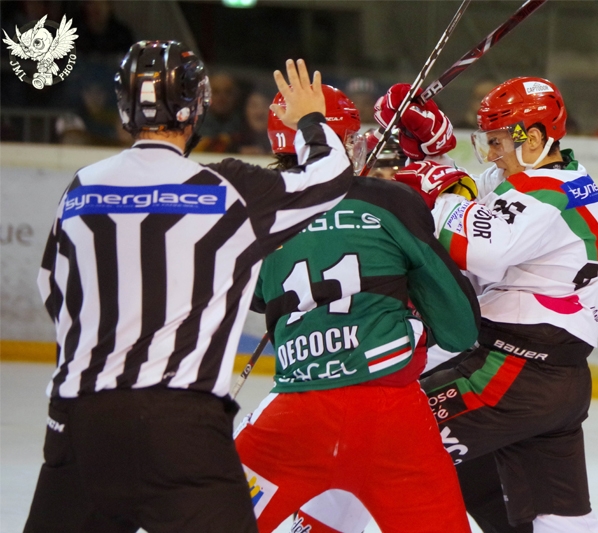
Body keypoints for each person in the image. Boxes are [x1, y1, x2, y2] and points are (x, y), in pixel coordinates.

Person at [23, 41, 353, 533]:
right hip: (182, 428)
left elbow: (53, 290)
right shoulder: (229, 189)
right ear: (196, 105)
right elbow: (332, 178)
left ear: (124, 106)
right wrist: (308, 119)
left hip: (81, 420)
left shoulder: (82, 187)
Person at [296, 77, 598, 533]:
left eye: (498, 141)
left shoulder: (550, 191)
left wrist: (438, 190)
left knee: (373, 444)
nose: (491, 153)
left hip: (510, 371)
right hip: (550, 378)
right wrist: (431, 155)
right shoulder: (544, 179)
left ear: (535, 137)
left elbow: (480, 246)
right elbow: (476, 196)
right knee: (557, 516)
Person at [234, 83, 481, 532]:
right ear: (344, 141)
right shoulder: (388, 201)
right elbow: (461, 329)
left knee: (205, 517)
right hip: (392, 419)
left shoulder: (256, 216)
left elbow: (257, 298)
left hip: (294, 416)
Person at [232, 88, 273, 155]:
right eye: (253, 105)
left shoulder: (286, 141)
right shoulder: (233, 139)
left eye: (265, 105)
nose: (259, 112)